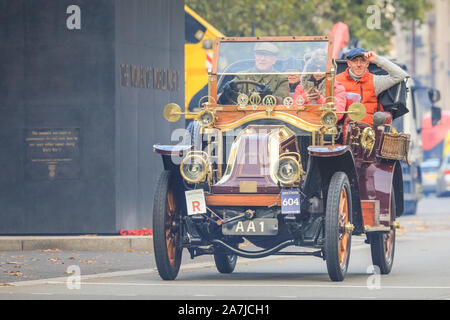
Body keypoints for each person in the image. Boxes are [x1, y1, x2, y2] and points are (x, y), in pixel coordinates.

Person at [336, 48, 408, 125]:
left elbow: (401, 75)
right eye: (355, 61)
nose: (359, 65)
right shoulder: (336, 80)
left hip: (368, 130)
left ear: (367, 64)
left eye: (363, 61)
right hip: (342, 128)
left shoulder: (374, 81)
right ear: (349, 63)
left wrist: (376, 59)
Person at [218, 42, 289, 104]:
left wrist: (270, 97)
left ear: (274, 59)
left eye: (267, 55)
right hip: (244, 116)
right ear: (255, 56)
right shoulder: (242, 76)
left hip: (271, 117)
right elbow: (228, 102)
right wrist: (228, 92)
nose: (262, 59)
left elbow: (282, 102)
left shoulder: (282, 79)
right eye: (259, 55)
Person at [293, 50, 347, 120]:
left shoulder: (337, 88)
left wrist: (320, 100)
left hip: (326, 125)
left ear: (329, 71)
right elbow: (293, 110)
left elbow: (338, 114)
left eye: (322, 69)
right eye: (315, 68)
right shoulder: (301, 87)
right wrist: (304, 98)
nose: (318, 72)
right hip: (303, 125)